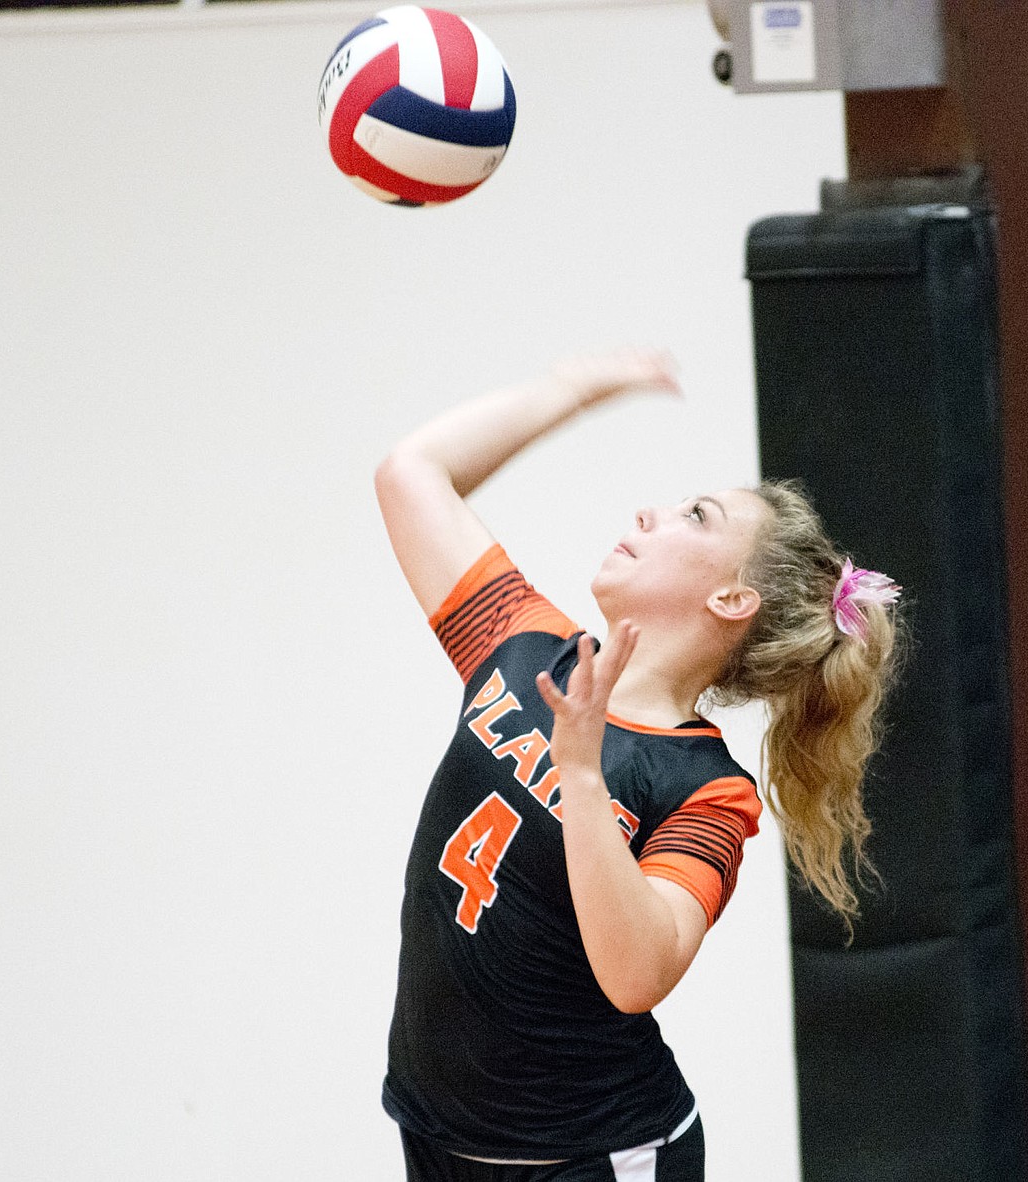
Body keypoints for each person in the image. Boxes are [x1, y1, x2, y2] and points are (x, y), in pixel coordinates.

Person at [373, 350, 901, 1181]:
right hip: (440, 1136)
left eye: (696, 515)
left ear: (731, 600)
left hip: (591, 1156)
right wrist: (575, 387)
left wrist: (580, 776)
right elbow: (412, 474)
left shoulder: (706, 791)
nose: (652, 514)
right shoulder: (525, 650)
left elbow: (637, 974)